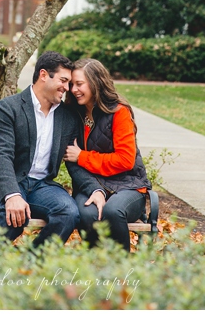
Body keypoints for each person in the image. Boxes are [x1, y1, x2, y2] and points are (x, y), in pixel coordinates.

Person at [0, 51, 93, 247]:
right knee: (13, 216)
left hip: (42, 186)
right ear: (44, 75)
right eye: (64, 81)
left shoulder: (67, 116)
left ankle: (32, 266)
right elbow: (2, 155)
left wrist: (95, 189)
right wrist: (12, 195)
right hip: (11, 180)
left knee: (69, 213)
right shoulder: (8, 108)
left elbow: (73, 161)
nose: (67, 88)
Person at [63, 58, 152, 251]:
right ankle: (96, 267)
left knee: (113, 210)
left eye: (79, 84)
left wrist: (82, 156)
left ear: (96, 83)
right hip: (89, 185)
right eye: (71, 85)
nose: (74, 90)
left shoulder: (119, 112)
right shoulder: (72, 114)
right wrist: (95, 189)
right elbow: (70, 159)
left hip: (128, 186)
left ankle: (120, 269)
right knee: (87, 215)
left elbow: (126, 160)